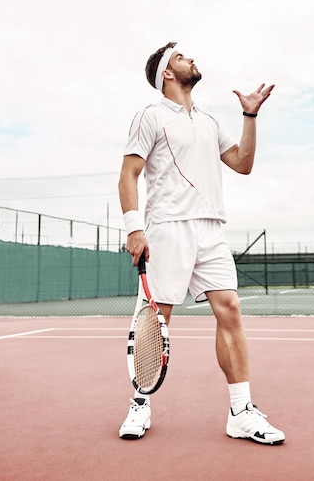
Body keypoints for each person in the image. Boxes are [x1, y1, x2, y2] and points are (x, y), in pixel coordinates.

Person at [117, 41, 285, 445]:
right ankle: (140, 403)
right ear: (166, 75)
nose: (190, 58)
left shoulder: (210, 121)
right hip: (167, 227)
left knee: (230, 308)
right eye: (179, 58)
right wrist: (133, 228)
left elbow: (242, 164)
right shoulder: (150, 116)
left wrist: (250, 115)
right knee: (158, 318)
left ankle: (241, 412)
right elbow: (128, 175)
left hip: (211, 230)